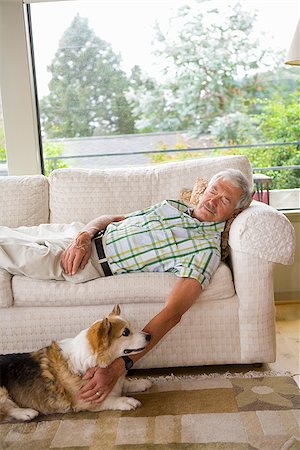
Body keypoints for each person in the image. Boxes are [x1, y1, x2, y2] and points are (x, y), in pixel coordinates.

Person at [0, 168, 252, 403]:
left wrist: (117, 368)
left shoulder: (205, 250)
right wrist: (84, 236)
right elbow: (111, 219)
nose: (212, 200)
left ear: (235, 212)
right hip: (74, 235)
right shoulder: (174, 206)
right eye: (213, 191)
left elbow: (172, 314)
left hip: (83, 262)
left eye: (225, 200)